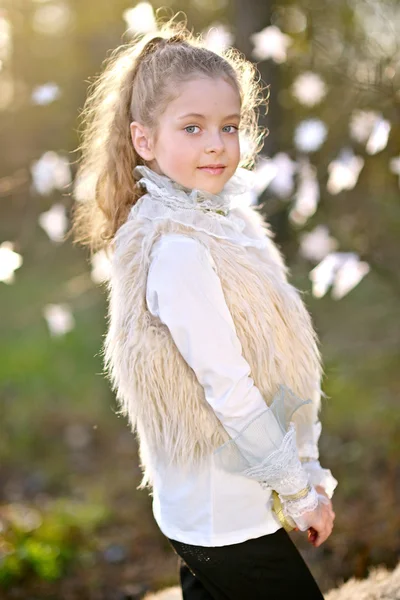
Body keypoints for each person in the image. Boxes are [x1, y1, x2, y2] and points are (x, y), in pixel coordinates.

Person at [71, 16, 337, 599]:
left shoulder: (228, 225)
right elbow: (228, 385)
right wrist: (297, 491)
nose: (216, 144)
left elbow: (280, 360)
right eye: (192, 127)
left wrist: (310, 469)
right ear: (145, 140)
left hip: (216, 504)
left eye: (229, 126)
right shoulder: (178, 249)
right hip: (224, 513)